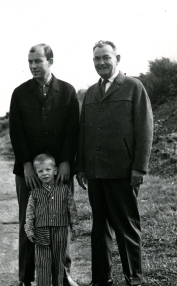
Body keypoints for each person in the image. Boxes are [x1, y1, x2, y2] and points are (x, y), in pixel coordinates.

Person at [76, 40, 153, 286]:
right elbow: (83, 133)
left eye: (105, 58)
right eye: (96, 59)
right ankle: (101, 279)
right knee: (99, 228)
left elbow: (145, 129)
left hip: (123, 172)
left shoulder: (133, 87)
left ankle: (134, 279)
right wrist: (82, 166)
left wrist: (139, 167)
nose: (101, 63)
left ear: (117, 58)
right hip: (96, 172)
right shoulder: (90, 92)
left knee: (126, 227)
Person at [9, 43, 79, 286]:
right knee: (29, 222)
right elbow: (16, 132)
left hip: (60, 172)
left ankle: (63, 275)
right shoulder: (19, 93)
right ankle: (26, 278)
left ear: (50, 61)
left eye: (38, 61)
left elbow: (73, 132)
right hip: (28, 173)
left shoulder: (68, 92)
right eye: (30, 62)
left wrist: (67, 163)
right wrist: (27, 164)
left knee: (60, 223)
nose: (33, 66)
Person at [24, 153, 79, 286]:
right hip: (41, 231)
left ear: (55, 171)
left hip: (60, 231)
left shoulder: (64, 190)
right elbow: (30, 213)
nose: (44, 173)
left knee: (58, 263)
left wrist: (75, 226)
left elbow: (72, 209)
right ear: (36, 173)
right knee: (42, 264)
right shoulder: (35, 192)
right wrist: (29, 230)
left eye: (48, 170)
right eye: (40, 171)